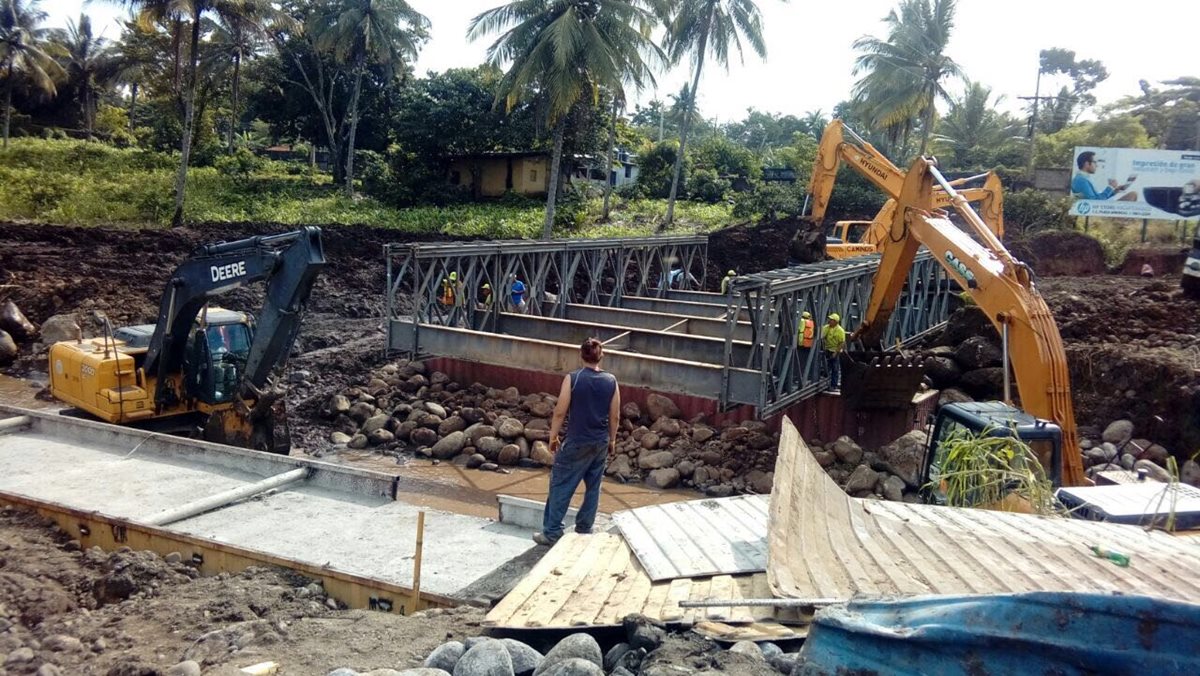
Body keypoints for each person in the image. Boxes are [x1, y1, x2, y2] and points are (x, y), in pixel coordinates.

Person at [535, 338, 621, 547]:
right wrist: (612, 440)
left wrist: (553, 437)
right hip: (600, 442)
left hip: (576, 440)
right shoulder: (611, 381)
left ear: (581, 355)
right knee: (593, 487)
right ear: (601, 356)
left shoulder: (573, 378)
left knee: (560, 485)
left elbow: (560, 412)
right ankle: (584, 529)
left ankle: (552, 532)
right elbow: (615, 416)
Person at [1071, 151, 1137, 201]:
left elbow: (1098, 198)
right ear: (1087, 164)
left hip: (1098, 208)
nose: (1097, 165)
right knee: (1132, 195)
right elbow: (1095, 201)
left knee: (1133, 195)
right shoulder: (1081, 180)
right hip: (1096, 211)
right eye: (1095, 162)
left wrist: (1114, 191)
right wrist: (1110, 187)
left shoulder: (1083, 178)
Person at [821, 312, 846, 395]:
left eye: (831, 320)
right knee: (826, 367)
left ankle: (833, 385)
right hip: (827, 350)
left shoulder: (840, 330)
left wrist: (835, 353)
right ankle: (824, 384)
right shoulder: (826, 327)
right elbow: (821, 337)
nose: (829, 321)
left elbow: (842, 343)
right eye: (829, 319)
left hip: (835, 351)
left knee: (835, 369)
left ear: (835, 321)